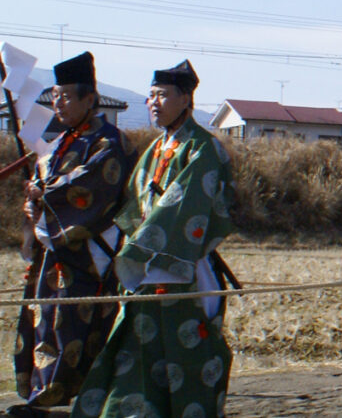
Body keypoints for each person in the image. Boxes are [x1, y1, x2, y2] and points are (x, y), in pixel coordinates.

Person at [72, 60, 236, 417]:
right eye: (149, 96)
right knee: (139, 350)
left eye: (162, 95)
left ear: (186, 99)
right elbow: (134, 204)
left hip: (185, 265)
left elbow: (188, 205)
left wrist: (143, 248)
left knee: (192, 352)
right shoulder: (156, 148)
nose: (153, 103)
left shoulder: (203, 149)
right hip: (146, 266)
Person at [10, 52, 135, 418]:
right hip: (54, 249)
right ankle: (41, 394)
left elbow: (90, 187)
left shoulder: (110, 142)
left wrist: (45, 194)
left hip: (88, 252)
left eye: (66, 96)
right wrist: (34, 202)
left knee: (76, 327)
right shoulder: (62, 141)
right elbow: (41, 183)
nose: (58, 103)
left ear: (89, 99)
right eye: (55, 95)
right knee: (43, 321)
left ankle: (80, 397)